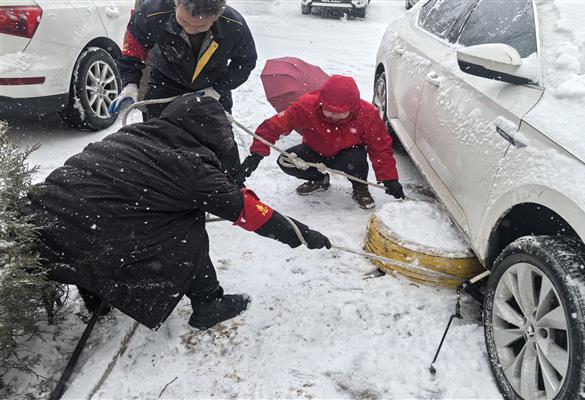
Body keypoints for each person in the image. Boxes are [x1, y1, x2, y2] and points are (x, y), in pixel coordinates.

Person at [24, 94, 330, 331]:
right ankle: (208, 304)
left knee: (88, 220)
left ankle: (97, 298)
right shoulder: (192, 168)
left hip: (42, 227)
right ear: (214, 135)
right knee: (185, 222)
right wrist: (302, 234)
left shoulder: (131, 135)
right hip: (95, 238)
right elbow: (250, 212)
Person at [235, 75, 405, 209]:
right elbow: (272, 126)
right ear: (321, 102)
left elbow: (380, 147)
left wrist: (389, 178)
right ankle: (319, 180)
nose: (333, 116)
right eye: (329, 111)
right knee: (286, 160)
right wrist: (257, 154)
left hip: (347, 153)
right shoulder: (306, 106)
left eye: (340, 113)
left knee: (357, 160)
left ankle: (360, 187)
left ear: (353, 108)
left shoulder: (367, 114)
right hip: (314, 151)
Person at [109, 0, 257, 119]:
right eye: (183, 21)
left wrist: (217, 90)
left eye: (200, 26)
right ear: (176, 3)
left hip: (212, 85)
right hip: (165, 83)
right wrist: (130, 84)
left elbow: (246, 62)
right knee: (157, 136)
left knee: (215, 139)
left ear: (216, 17)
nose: (189, 29)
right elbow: (133, 48)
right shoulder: (153, 13)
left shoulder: (234, 25)